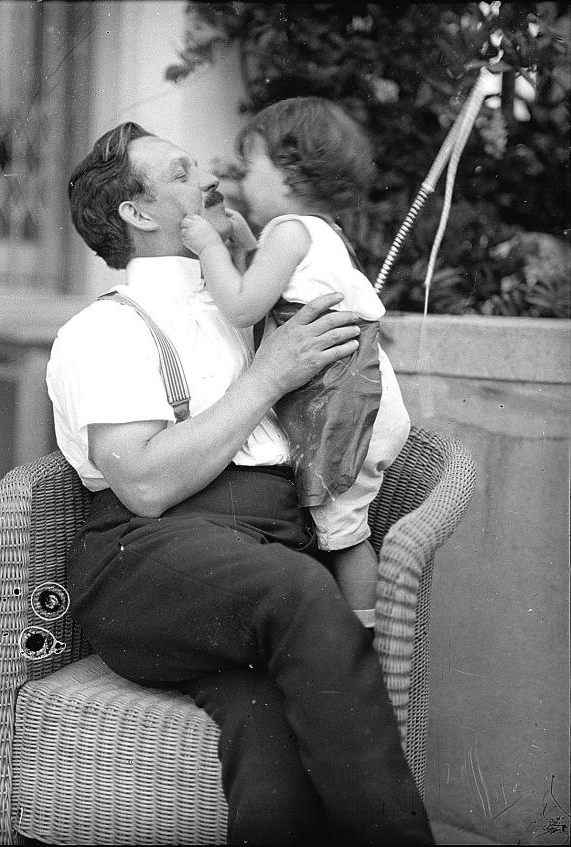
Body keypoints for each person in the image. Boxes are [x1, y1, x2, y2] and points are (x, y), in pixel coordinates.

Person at [46, 120, 433, 846]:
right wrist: (267, 377)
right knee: (298, 590)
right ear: (138, 212)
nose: (209, 174)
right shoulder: (105, 330)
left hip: (258, 555)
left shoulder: (249, 303)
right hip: (147, 560)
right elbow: (147, 485)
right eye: (182, 170)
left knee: (271, 726)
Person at [180, 97, 411, 630]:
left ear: (288, 174)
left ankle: (366, 646)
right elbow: (270, 286)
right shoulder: (314, 230)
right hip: (360, 397)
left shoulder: (289, 232)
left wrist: (210, 247)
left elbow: (242, 306)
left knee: (343, 532)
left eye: (249, 168)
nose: (239, 181)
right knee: (341, 525)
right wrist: (242, 243)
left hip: (347, 412)